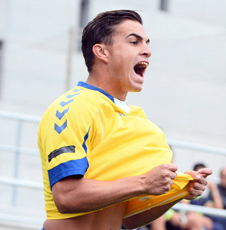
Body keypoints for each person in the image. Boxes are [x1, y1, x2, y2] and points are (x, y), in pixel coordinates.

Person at [38, 10, 212, 230]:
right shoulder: (72, 107)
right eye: (134, 42)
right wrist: (143, 182)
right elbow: (66, 197)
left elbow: (129, 218)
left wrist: (179, 191)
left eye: (147, 43)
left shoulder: (138, 121)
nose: (147, 51)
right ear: (102, 52)